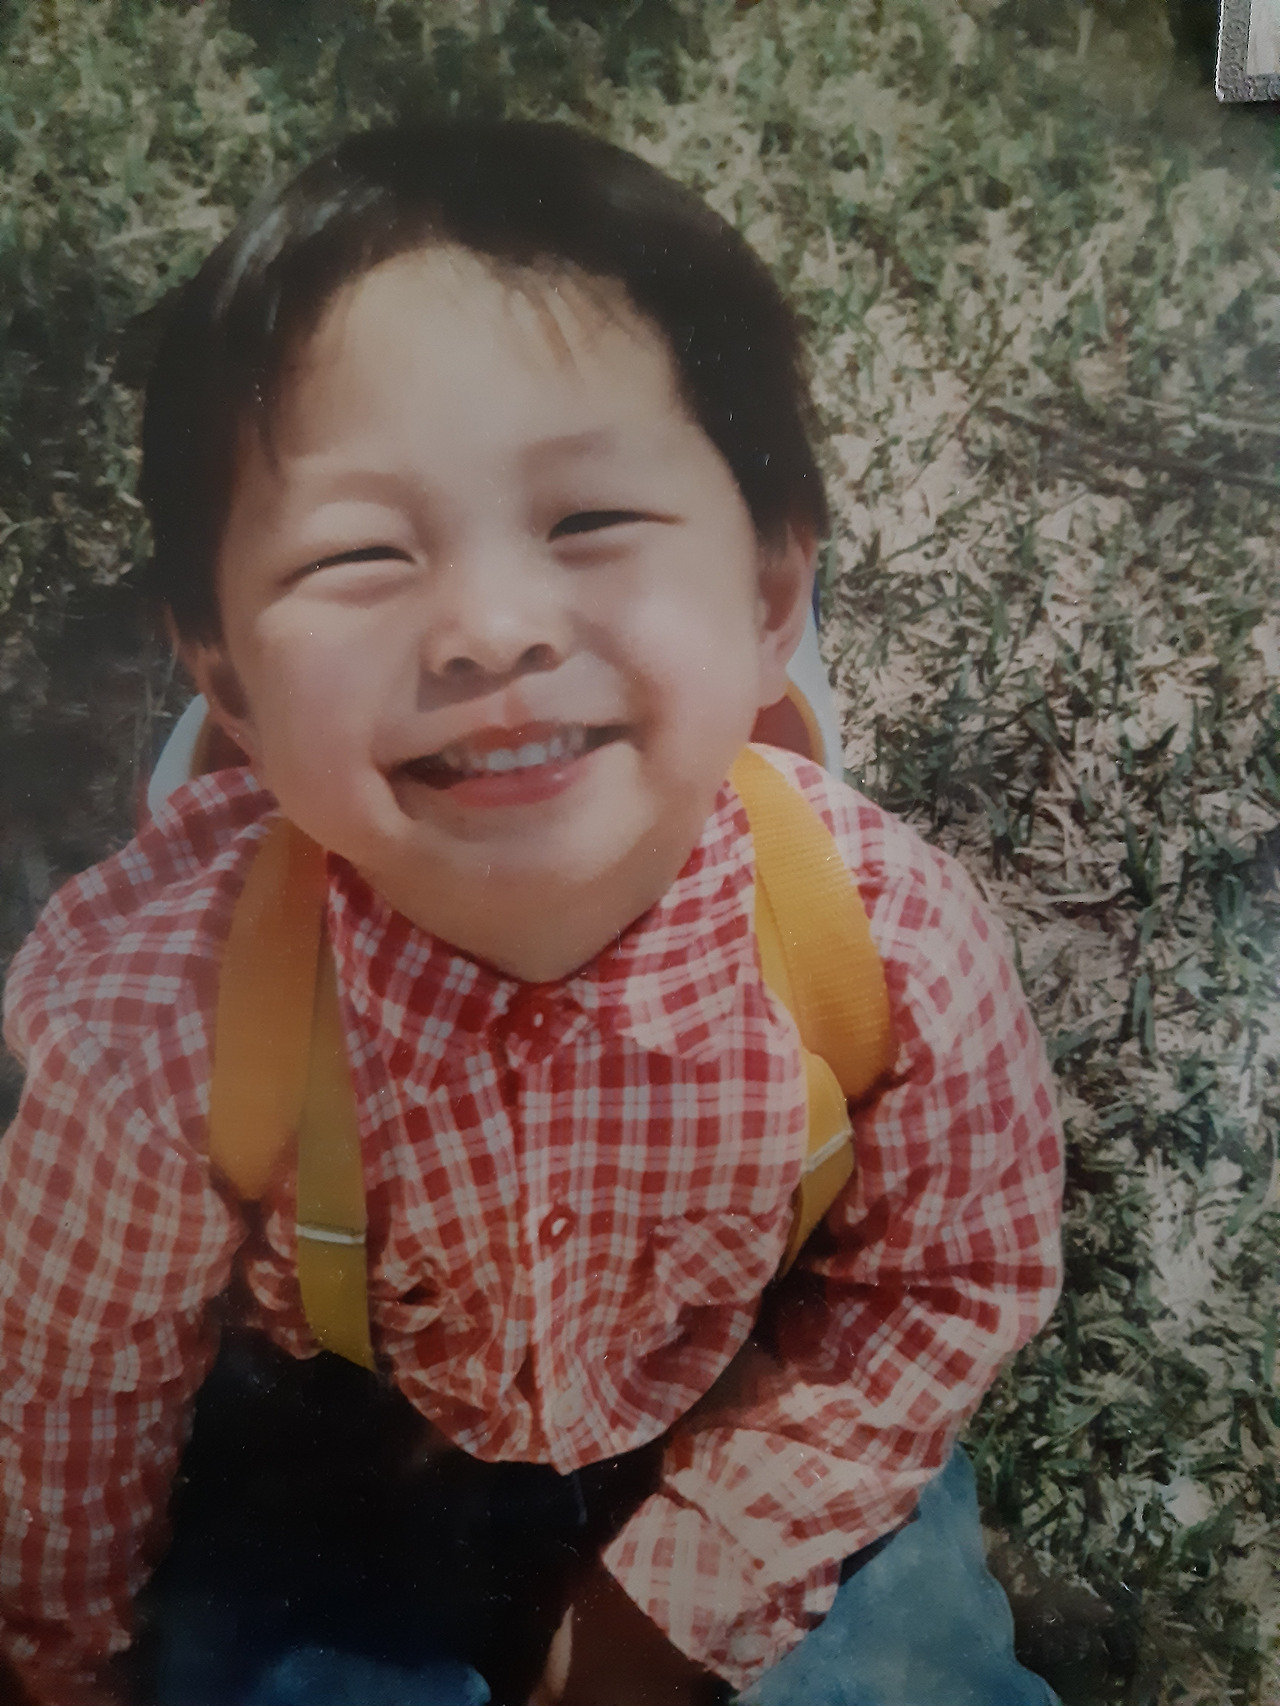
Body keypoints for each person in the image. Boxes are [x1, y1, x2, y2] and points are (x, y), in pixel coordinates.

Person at [0, 121, 1064, 1706]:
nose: (491, 629)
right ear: (222, 673)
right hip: (342, 1456)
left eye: (588, 523)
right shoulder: (166, 1016)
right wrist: (60, 1662)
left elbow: (945, 1279)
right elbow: (70, 1391)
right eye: (362, 552)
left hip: (758, 1417)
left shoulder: (884, 944)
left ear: (772, 593)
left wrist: (675, 1602)